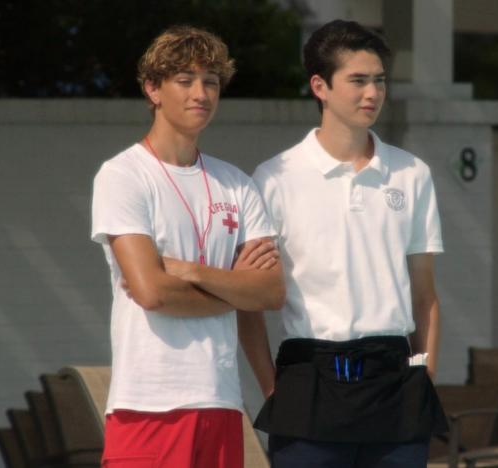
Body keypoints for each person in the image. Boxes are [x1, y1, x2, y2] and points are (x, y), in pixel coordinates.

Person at [251, 19, 447, 468]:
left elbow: (425, 296)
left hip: (396, 385)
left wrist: (425, 376)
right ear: (320, 86)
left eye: (379, 80)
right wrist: (271, 389)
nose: (372, 93)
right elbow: (251, 303)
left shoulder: (411, 174)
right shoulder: (275, 177)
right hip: (308, 382)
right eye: (357, 81)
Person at [90, 25, 284, 468]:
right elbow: (153, 293)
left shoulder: (236, 183)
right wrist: (235, 288)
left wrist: (194, 273)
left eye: (211, 82)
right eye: (186, 80)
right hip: (148, 406)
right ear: (153, 89)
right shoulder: (123, 175)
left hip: (220, 400)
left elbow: (270, 293)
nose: (202, 93)